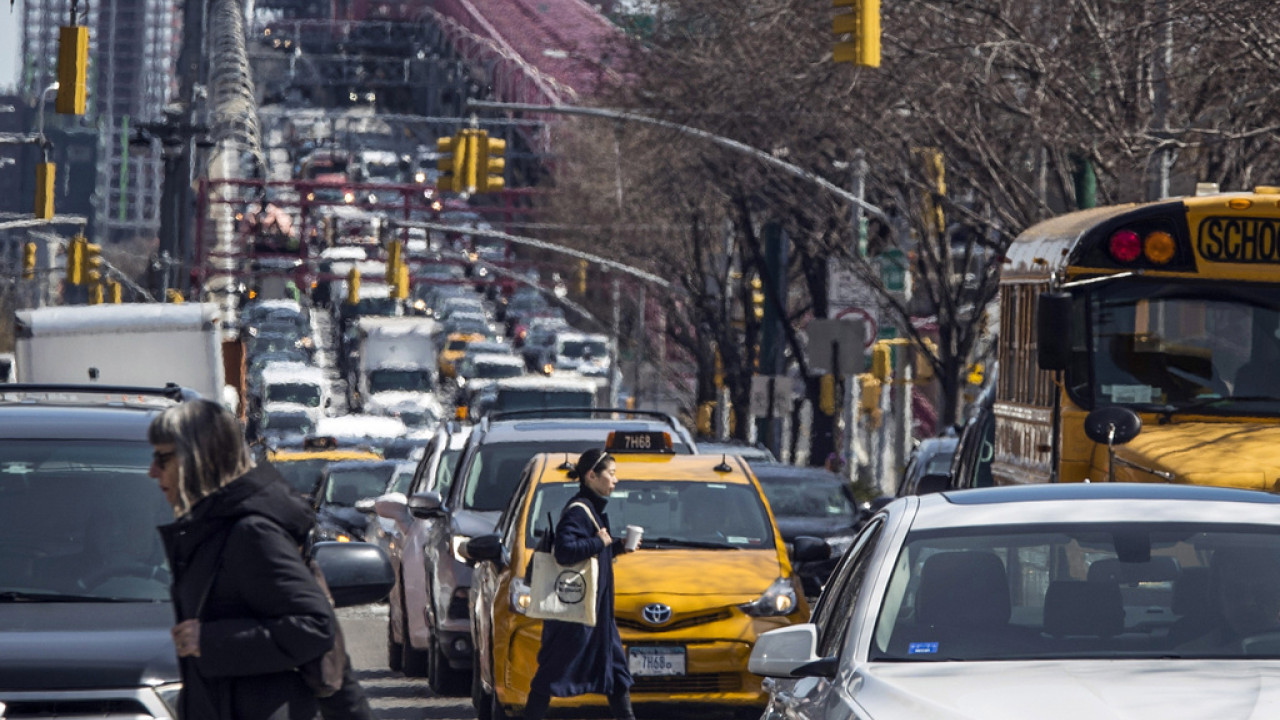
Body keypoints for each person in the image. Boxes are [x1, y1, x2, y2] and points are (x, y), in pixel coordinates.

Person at [150, 399, 344, 720]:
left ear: (200, 461)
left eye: (163, 458)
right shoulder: (207, 528)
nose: (152, 471)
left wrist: (209, 640)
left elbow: (314, 625)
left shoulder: (250, 533)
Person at [524, 448, 634, 720]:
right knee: (551, 673)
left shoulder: (591, 510)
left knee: (617, 674)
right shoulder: (579, 511)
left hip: (597, 617)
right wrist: (600, 542)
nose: (615, 480)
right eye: (611, 473)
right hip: (576, 617)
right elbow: (565, 551)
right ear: (591, 476)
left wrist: (617, 547)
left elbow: (591, 554)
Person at [1177, 546, 1280, 654]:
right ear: (1217, 598)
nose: (1248, 603)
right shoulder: (1188, 657)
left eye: (1262, 592)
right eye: (1236, 593)